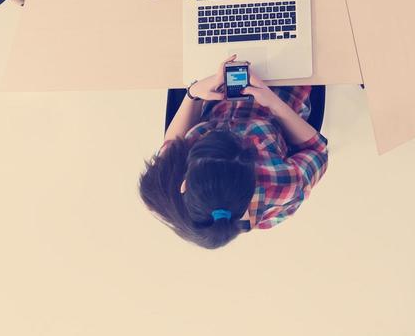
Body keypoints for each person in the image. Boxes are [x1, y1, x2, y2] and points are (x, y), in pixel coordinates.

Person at [138, 55, 327, 248]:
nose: (235, 132)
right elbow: (317, 149)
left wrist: (193, 93)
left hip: (213, 83)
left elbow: (172, 142)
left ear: (184, 184)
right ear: (253, 181)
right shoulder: (281, 186)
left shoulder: (165, 185)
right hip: (283, 86)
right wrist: (273, 102)